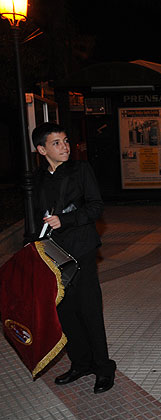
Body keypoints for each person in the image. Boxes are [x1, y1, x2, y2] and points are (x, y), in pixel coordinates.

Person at [31, 122, 117, 394]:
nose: (65, 146)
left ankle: (104, 367)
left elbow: (95, 207)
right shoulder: (37, 179)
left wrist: (65, 220)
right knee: (65, 312)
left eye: (66, 141)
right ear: (42, 149)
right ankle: (80, 363)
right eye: (56, 143)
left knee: (89, 309)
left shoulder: (81, 170)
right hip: (52, 254)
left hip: (81, 249)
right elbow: (34, 218)